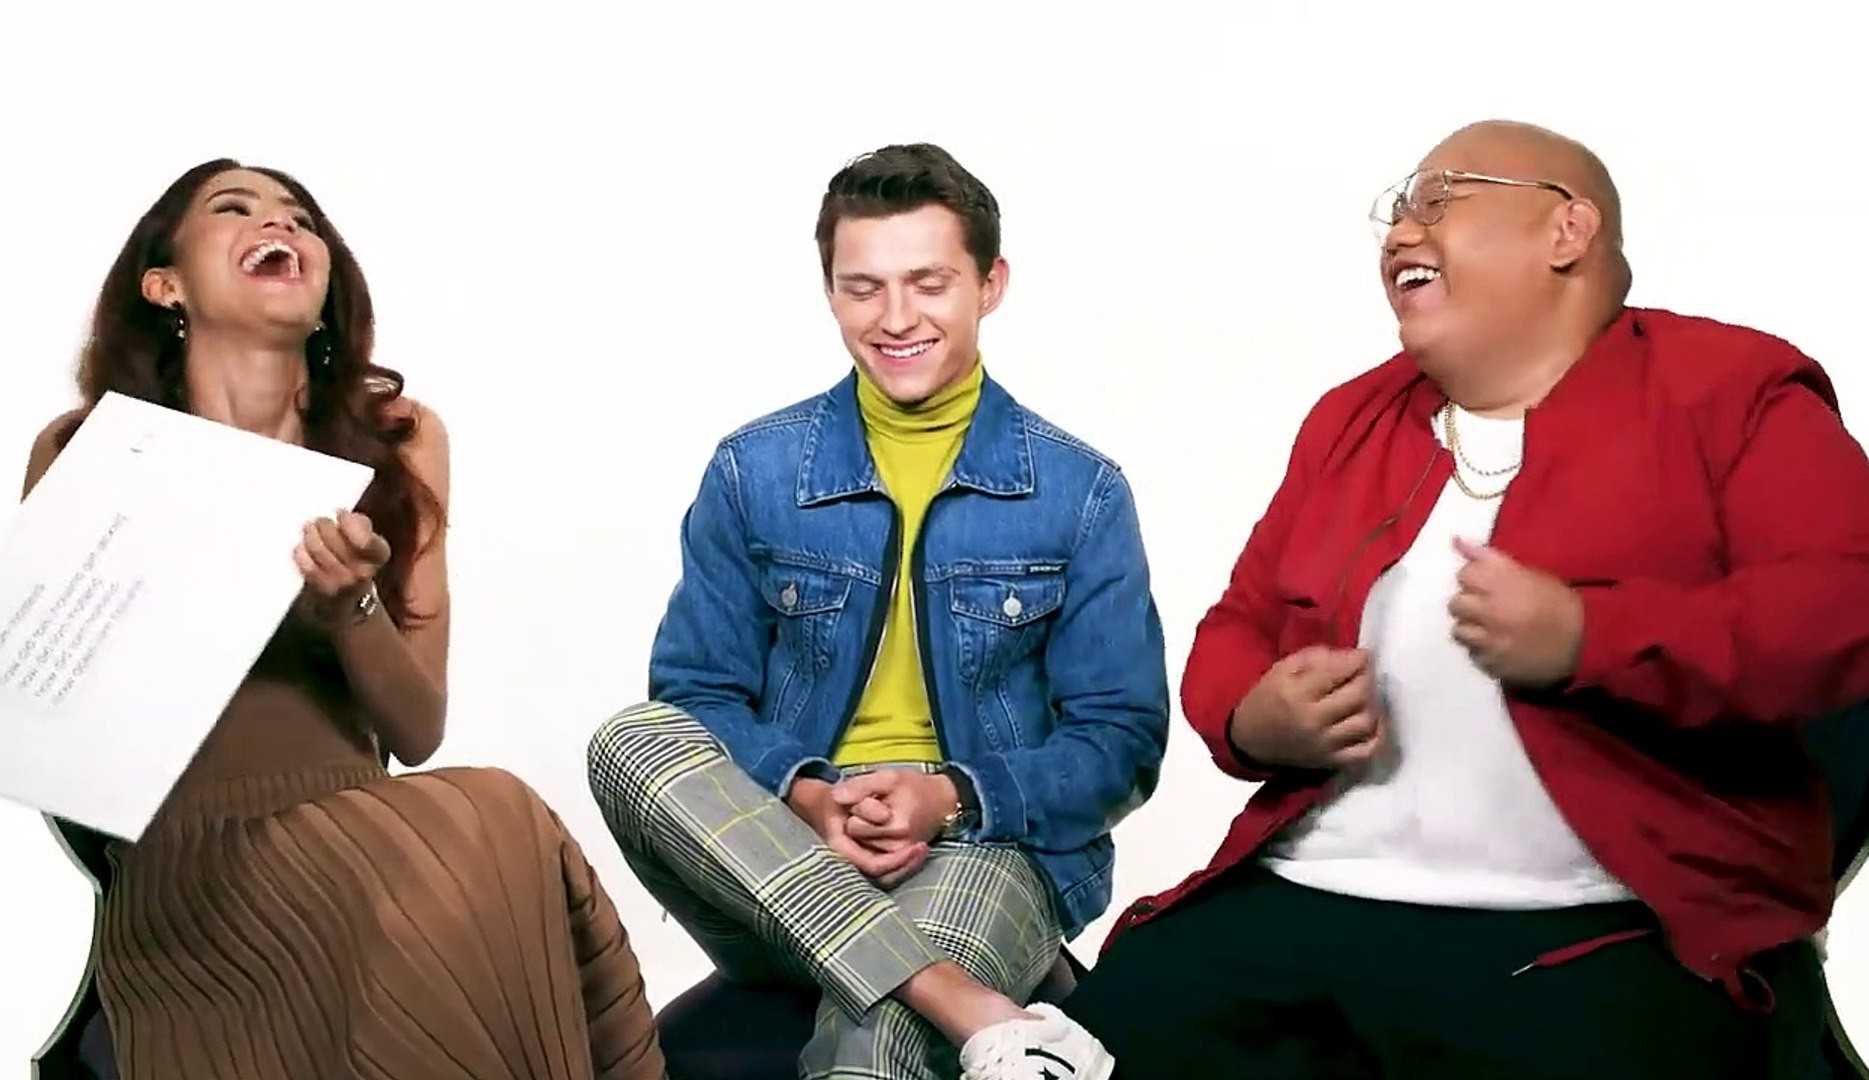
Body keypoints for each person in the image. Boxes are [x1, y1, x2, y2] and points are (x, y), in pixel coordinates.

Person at [1064, 120, 1869, 1079]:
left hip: (1595, 923)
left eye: (1438, 198)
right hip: (1310, 891)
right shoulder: (1351, 418)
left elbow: (1840, 609)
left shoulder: (1731, 390)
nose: (1400, 232)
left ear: (1567, 230)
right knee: (1096, 1042)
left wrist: (1590, 636)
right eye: (1396, 212)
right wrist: (1254, 714)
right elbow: (1241, 622)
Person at [24, 160, 665, 1080]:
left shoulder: (398, 437)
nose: (279, 224)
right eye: (233, 209)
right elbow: (50, 729)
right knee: (466, 830)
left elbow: (416, 730)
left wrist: (350, 609)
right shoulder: (88, 447)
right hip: (190, 861)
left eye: (301, 218)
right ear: (165, 286)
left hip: (366, 826)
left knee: (485, 814)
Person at [587, 143, 1167, 1080]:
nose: (895, 319)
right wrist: (809, 796)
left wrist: (948, 795)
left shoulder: (1079, 492)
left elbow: (1119, 743)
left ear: (989, 285)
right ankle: (964, 1002)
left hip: (980, 846)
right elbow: (695, 697)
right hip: (780, 854)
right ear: (829, 292)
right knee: (631, 739)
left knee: (877, 1041)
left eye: (928, 283)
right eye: (863, 288)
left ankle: (925, 989)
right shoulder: (753, 470)